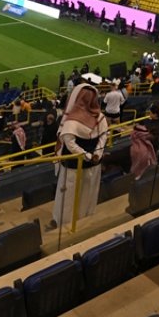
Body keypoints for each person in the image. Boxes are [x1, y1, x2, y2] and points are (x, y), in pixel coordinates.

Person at [48, 83, 109, 232]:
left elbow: (70, 144)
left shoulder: (72, 121)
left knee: (70, 197)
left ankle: (68, 224)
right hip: (88, 164)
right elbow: (103, 137)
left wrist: (89, 156)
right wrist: (94, 155)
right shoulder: (100, 117)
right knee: (84, 194)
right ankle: (71, 222)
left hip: (77, 166)